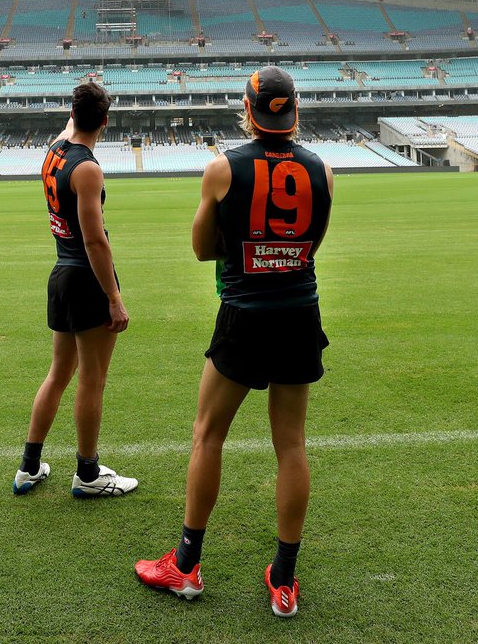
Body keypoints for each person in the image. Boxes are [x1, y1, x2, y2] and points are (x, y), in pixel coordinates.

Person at [135, 66, 333, 617]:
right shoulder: (323, 169)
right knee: (291, 445)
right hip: (299, 311)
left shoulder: (222, 168)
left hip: (245, 314)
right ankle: (284, 580)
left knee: (208, 435)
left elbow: (203, 249)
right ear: (295, 110)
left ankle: (186, 565)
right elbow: (310, 245)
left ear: (247, 110)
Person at [13, 81, 138, 498]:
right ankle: (87, 472)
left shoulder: (55, 151)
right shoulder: (87, 169)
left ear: (72, 114)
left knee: (58, 374)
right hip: (87, 280)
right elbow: (95, 241)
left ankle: (29, 467)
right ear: (105, 121)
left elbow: (71, 127)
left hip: (61, 275)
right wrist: (114, 298)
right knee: (92, 380)